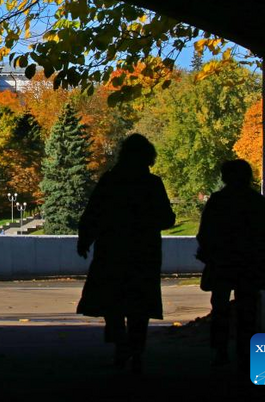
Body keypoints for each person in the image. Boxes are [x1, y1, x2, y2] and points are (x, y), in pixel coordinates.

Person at [76, 134, 176, 374]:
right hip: (144, 252)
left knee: (113, 302)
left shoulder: (110, 181)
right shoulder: (152, 184)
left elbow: (93, 213)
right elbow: (167, 218)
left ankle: (121, 347)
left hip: (112, 250)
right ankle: (137, 352)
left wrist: (85, 239)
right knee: (139, 305)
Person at [196, 159, 265, 370]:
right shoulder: (256, 202)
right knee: (247, 310)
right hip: (249, 265)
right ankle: (246, 353)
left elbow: (205, 233)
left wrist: (210, 256)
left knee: (220, 309)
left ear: (225, 177)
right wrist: (261, 259)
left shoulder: (218, 201)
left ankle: (221, 352)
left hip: (222, 263)